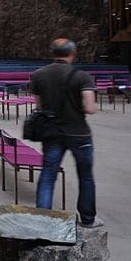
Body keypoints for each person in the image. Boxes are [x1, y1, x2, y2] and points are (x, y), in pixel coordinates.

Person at [29, 39, 101, 228]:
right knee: (85, 176)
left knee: (48, 175)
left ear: (53, 52)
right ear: (73, 53)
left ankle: (42, 221)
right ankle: (87, 219)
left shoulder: (39, 75)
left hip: (52, 132)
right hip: (78, 133)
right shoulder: (82, 76)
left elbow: (39, 106)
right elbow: (89, 108)